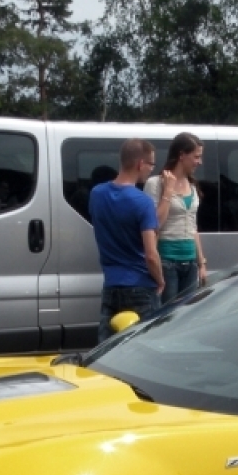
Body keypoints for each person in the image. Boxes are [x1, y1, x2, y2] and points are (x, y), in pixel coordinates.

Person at [90, 139, 164, 342]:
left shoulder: (96, 194)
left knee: (106, 349)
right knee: (142, 348)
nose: (151, 170)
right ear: (141, 164)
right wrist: (160, 279)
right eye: (151, 165)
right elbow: (150, 254)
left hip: (111, 284)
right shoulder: (143, 202)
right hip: (140, 286)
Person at [142, 132, 208, 302]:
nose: (199, 162)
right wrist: (168, 192)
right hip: (166, 260)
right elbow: (154, 223)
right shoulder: (155, 183)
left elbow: (193, 228)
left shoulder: (192, 186)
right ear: (181, 155)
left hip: (190, 261)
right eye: (196, 157)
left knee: (185, 316)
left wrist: (201, 263)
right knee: (167, 315)